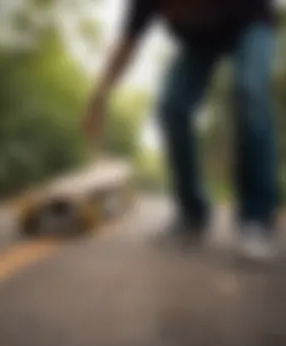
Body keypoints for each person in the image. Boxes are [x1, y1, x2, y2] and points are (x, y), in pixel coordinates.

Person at [83, 0, 279, 259]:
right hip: (200, 44)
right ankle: (192, 215)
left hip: (252, 21)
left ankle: (257, 219)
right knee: (172, 108)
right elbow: (127, 45)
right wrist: (100, 96)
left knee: (250, 90)